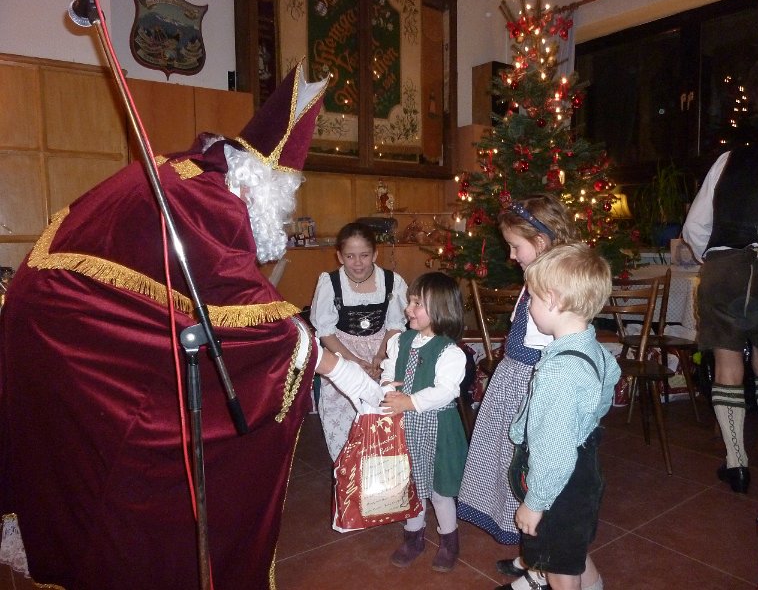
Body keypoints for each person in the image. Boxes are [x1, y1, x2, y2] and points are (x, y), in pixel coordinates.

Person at [0, 63, 379, 590]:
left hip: (58, 314)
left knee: (108, 453)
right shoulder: (214, 202)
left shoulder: (200, 173)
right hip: (68, 325)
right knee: (134, 446)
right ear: (262, 180)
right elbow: (256, 323)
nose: (287, 208)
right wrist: (343, 371)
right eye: (287, 190)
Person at [682, 48, 758, 494]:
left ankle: (736, 465)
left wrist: (712, 258)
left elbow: (695, 228)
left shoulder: (728, 160)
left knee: (727, 362)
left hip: (725, 268)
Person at [458, 194, 578, 585]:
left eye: (515, 246)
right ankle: (532, 556)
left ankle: (541, 568)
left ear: (540, 243)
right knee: (513, 472)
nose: (510, 256)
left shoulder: (553, 288)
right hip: (514, 384)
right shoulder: (537, 281)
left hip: (531, 390)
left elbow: (554, 351)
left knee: (528, 473)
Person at [504, 243, 620, 590]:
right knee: (572, 549)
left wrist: (535, 503)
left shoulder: (559, 372)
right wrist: (584, 422)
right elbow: (609, 384)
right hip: (584, 468)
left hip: (558, 486)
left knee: (556, 564)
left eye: (532, 299)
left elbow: (553, 453)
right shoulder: (594, 349)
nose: (529, 306)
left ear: (553, 301)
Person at [378, 271, 467, 573]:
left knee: (440, 490)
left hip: (437, 429)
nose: (408, 309)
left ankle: (449, 540)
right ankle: (413, 536)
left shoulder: (450, 352)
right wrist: (388, 387)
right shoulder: (401, 341)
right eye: (410, 302)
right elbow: (389, 371)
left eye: (417, 303)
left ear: (440, 309)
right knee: (409, 485)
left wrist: (410, 401)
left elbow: (446, 390)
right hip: (405, 428)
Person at [310, 221, 408, 460]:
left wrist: (381, 356)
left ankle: (381, 464)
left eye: (364, 255)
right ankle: (347, 466)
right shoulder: (330, 283)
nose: (357, 263)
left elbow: (395, 325)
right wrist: (353, 361)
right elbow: (325, 331)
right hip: (342, 352)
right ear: (339, 256)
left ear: (375, 254)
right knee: (343, 413)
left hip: (383, 350)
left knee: (382, 411)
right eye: (350, 256)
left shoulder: (392, 282)